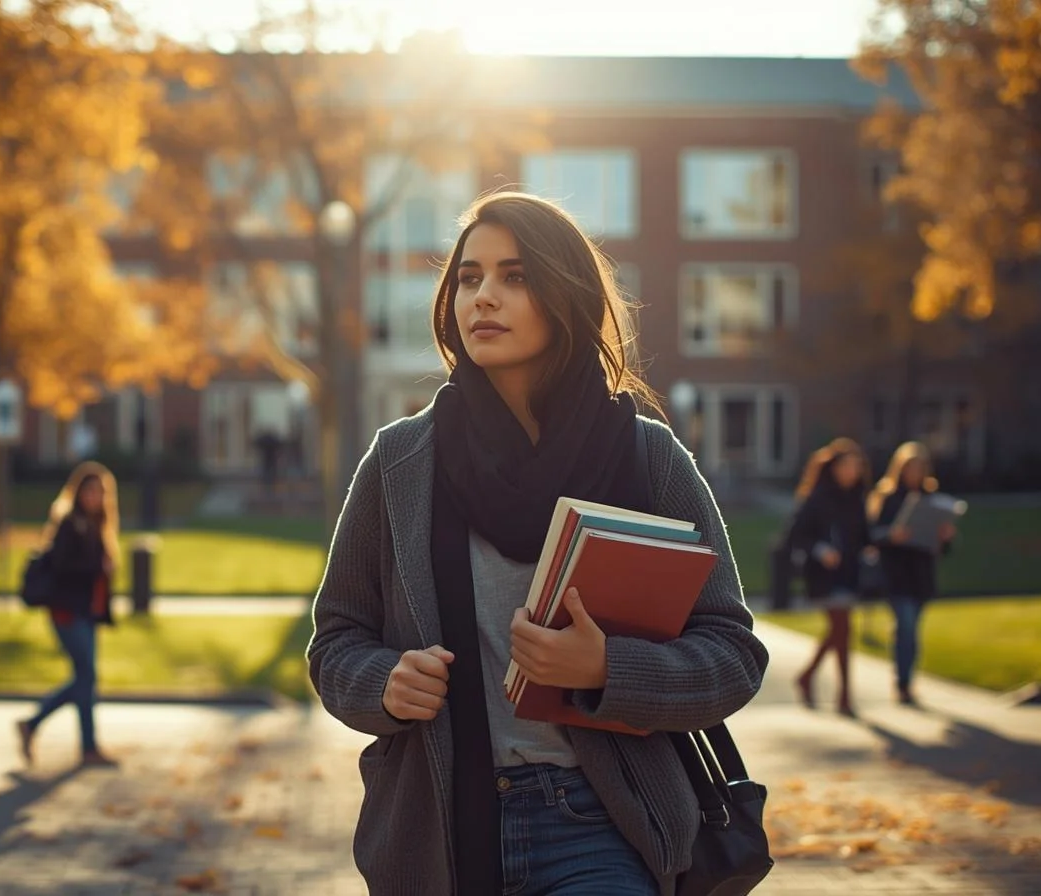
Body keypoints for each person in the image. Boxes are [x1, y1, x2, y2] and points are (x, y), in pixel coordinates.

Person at [306, 192, 768, 896]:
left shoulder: (647, 459)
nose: (484, 296)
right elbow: (336, 639)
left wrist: (607, 667)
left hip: (604, 829)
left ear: (566, 292)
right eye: (469, 277)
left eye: (515, 276)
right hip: (441, 842)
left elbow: (733, 655)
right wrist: (385, 683)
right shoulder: (399, 464)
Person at [16, 461, 120, 769]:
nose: (94, 497)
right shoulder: (70, 524)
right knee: (86, 677)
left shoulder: (97, 525)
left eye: (99, 492)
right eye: (89, 491)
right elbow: (64, 569)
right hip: (67, 612)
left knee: (85, 679)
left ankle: (37, 726)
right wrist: (98, 568)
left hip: (86, 613)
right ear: (77, 493)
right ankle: (83, 745)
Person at [869, 441, 957, 707]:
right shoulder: (888, 497)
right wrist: (892, 535)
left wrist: (946, 537)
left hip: (921, 574)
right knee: (906, 626)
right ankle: (903, 683)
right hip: (896, 574)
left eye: (920, 468)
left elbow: (944, 547)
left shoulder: (933, 499)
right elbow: (871, 536)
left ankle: (907, 678)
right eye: (910, 467)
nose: (915, 473)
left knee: (912, 630)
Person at [789, 438, 872, 717]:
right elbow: (796, 536)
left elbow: (863, 536)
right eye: (847, 466)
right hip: (823, 575)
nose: (852, 471)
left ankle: (808, 676)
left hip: (849, 573)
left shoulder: (857, 499)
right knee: (843, 629)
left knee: (840, 631)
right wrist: (821, 550)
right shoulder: (816, 498)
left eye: (856, 466)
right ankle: (845, 696)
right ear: (833, 468)